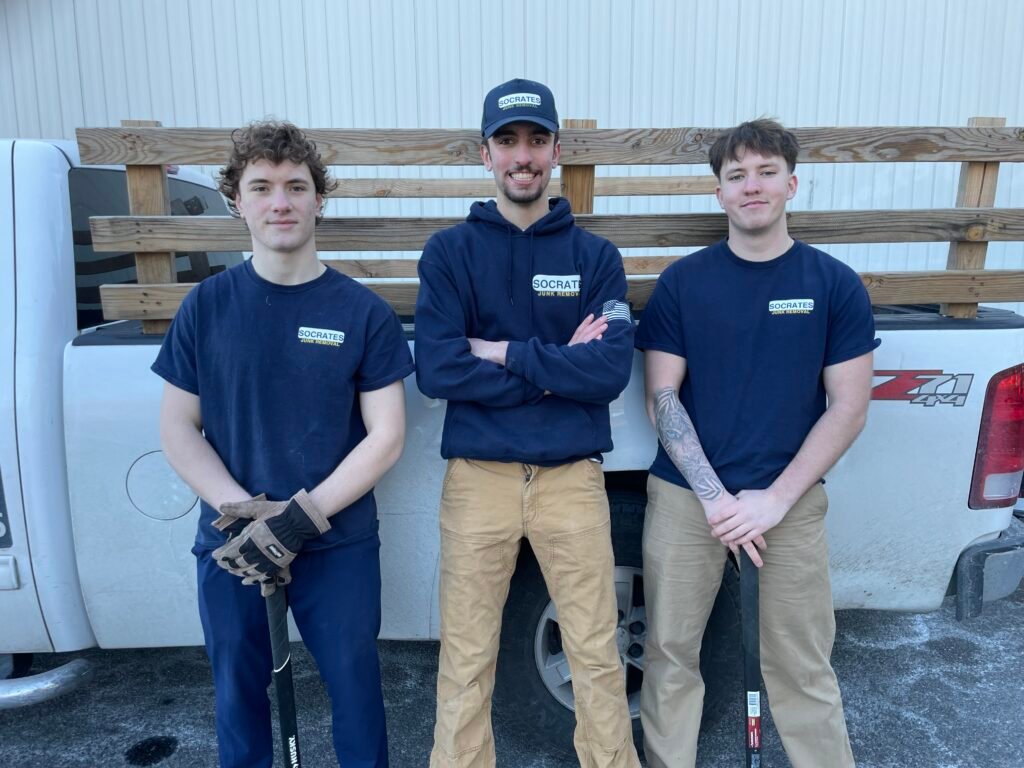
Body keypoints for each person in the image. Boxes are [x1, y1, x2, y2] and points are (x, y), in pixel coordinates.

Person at [153, 120, 413, 768]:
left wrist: (297, 522)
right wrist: (243, 515)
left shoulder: (362, 312)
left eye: (296, 186)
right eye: (262, 186)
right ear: (236, 201)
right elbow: (177, 427)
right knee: (238, 697)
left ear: (318, 199)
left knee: (356, 695)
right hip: (232, 546)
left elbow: (386, 435)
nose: (281, 201)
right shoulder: (206, 308)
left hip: (336, 545)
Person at [635, 118, 878, 768]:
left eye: (766, 172)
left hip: (789, 507)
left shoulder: (832, 284)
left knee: (800, 664)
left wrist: (772, 501)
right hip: (689, 501)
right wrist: (717, 500)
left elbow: (849, 408)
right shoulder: (683, 283)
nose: (751, 186)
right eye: (736, 175)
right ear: (719, 193)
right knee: (669, 656)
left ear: (791, 183)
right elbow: (661, 398)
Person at [414, 78, 641, 768]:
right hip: (478, 479)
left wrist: (505, 352)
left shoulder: (594, 257)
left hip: (572, 480)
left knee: (597, 655)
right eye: (508, 141)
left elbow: (606, 374)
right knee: (465, 661)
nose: (523, 155)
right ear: (485, 153)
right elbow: (440, 372)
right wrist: (554, 370)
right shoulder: (450, 253)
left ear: (556, 151)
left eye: (536, 141)